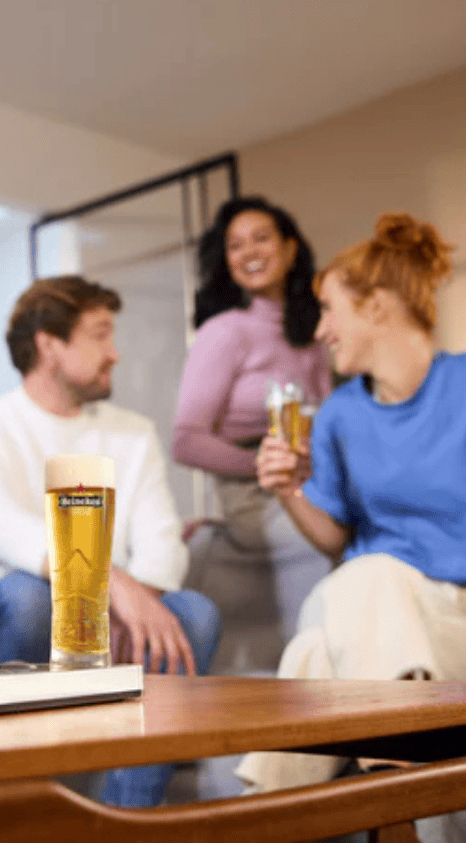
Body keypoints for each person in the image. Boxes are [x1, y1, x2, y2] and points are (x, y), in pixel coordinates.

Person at [237, 213, 466, 792]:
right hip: (367, 610)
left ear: (377, 306)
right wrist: (288, 490)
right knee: (360, 586)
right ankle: (395, 776)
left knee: (319, 645)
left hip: (461, 619)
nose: (320, 331)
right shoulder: (339, 415)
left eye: (330, 310)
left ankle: (267, 808)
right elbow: (333, 538)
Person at [0, 274, 221, 808]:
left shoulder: (133, 433)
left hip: (109, 621)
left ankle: (122, 820)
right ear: (49, 345)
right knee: (29, 601)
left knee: (195, 613)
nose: (116, 353)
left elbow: (162, 541)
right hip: (31, 616)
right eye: (100, 335)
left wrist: (131, 599)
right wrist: (112, 584)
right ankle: (1, 813)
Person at [171, 196, 332, 671]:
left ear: (290, 248)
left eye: (261, 237)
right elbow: (186, 439)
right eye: (234, 245)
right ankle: (313, 678)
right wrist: (266, 466)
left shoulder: (315, 336)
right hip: (253, 494)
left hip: (310, 482)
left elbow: (327, 423)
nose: (248, 252)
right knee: (318, 539)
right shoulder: (224, 332)